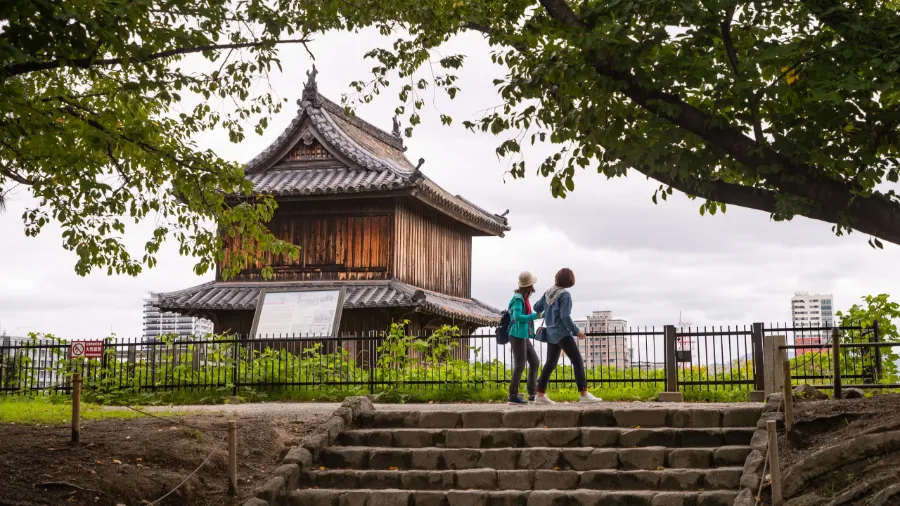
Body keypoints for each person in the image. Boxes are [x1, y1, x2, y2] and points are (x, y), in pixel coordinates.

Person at [533, 268, 601, 404]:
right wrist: (577, 331)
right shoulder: (565, 295)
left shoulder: (548, 292)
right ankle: (584, 394)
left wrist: (548, 311)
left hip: (551, 334)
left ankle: (539, 395)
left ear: (557, 278)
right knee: (577, 361)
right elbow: (565, 316)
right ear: (570, 281)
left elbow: (536, 307)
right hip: (562, 333)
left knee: (550, 364)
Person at [506, 271, 542, 405]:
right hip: (516, 335)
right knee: (520, 365)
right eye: (532, 284)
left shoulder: (524, 298)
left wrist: (538, 315)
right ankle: (513, 395)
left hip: (523, 335)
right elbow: (517, 317)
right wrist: (534, 316)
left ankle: (532, 394)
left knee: (534, 362)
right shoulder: (518, 299)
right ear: (529, 286)